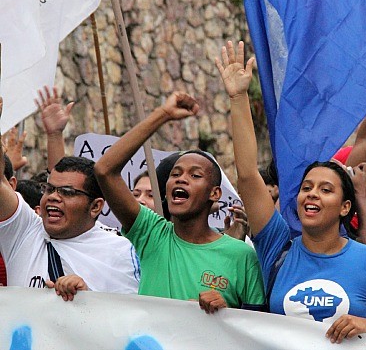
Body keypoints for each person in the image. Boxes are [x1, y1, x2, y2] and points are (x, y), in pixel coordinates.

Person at [217, 41, 366, 343]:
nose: (311, 194)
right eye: (306, 188)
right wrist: (238, 98)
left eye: (325, 189)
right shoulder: (277, 246)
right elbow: (248, 175)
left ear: (345, 207)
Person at [94, 92, 265, 313]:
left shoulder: (242, 256)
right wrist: (162, 114)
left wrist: (225, 313)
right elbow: (104, 170)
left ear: (214, 193)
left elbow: (257, 328)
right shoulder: (151, 234)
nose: (181, 179)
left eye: (195, 175)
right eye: (175, 174)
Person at [0, 106, 140, 300]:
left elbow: (128, 320)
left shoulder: (119, 252)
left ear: (95, 207)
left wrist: (85, 298)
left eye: (67, 192)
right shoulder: (24, 231)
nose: (53, 197)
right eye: (49, 189)